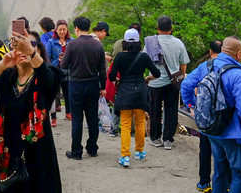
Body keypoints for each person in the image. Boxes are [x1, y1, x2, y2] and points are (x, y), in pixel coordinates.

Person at [0, 29, 62, 193]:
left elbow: (49, 80)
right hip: (9, 155)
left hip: (37, 155)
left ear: (39, 51)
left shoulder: (46, 77)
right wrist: (4, 63)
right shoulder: (7, 78)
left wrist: (31, 53)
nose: (25, 49)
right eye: (19, 45)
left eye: (32, 44)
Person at [208, 37, 241, 193]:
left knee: (220, 172)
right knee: (239, 175)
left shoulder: (210, 65)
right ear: (238, 54)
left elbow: (189, 84)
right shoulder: (237, 74)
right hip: (233, 133)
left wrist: (191, 106)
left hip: (212, 128)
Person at [109, 28, 161, 168]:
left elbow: (111, 76)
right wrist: (148, 78)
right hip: (140, 93)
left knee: (125, 125)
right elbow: (157, 73)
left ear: (124, 42)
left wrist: (119, 80)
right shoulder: (143, 57)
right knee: (140, 122)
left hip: (125, 93)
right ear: (138, 42)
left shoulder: (120, 57)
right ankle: (139, 152)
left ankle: (125, 156)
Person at [61, 16, 106, 160]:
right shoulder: (98, 45)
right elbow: (102, 70)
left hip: (76, 85)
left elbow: (63, 66)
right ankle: (92, 148)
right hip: (93, 84)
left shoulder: (72, 45)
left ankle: (76, 151)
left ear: (76, 28)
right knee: (92, 118)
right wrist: (103, 86)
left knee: (77, 119)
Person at [181, 40, 222, 193]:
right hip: (225, 117)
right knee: (223, 151)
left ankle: (204, 183)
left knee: (205, 149)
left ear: (210, 52)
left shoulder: (204, 67)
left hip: (206, 116)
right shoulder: (231, 67)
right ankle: (225, 184)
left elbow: (186, 85)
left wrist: (191, 105)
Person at [147, 15, 189, 150]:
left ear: (158, 28)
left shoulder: (150, 42)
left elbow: (145, 60)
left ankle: (155, 138)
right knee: (171, 111)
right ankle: (168, 140)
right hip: (172, 83)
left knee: (155, 111)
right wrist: (180, 76)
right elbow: (183, 65)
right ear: (171, 28)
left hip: (155, 82)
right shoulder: (178, 43)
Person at [48, 20, 72, 125]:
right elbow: (47, 58)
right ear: (56, 30)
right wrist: (57, 60)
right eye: (60, 29)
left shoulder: (72, 41)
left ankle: (68, 112)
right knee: (54, 94)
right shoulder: (51, 42)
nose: (62, 31)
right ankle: (53, 117)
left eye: (64, 29)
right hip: (55, 71)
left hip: (68, 72)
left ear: (67, 30)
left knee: (68, 93)